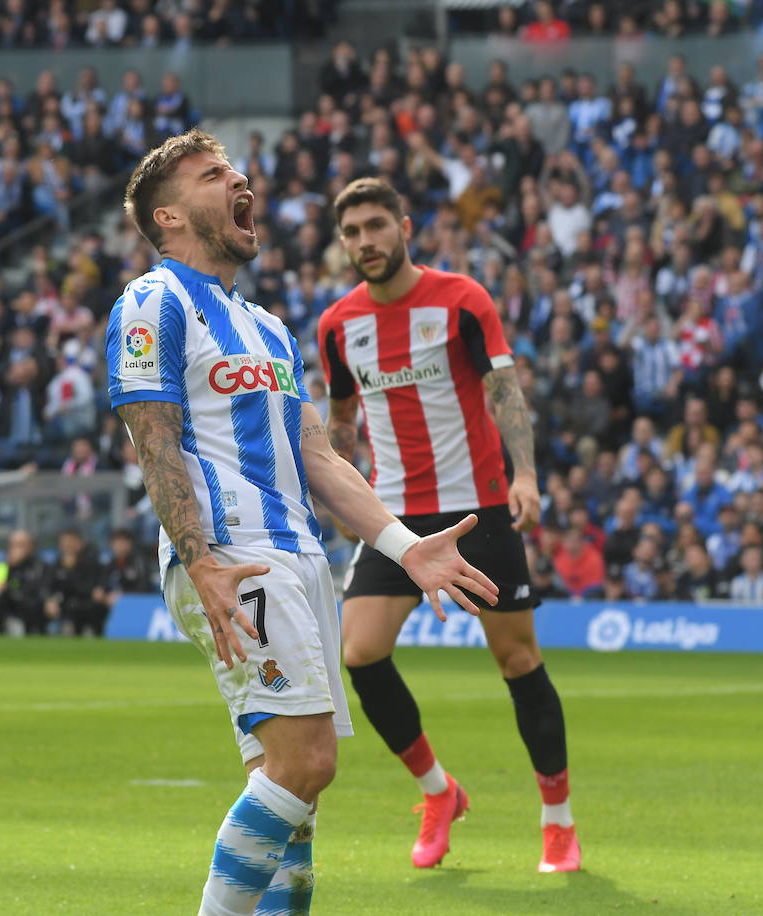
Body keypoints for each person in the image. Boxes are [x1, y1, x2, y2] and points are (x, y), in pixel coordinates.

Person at [107, 131, 498, 916]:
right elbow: (153, 441)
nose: (240, 179)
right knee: (304, 762)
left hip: (299, 560)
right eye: (214, 174)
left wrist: (401, 544)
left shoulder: (266, 326)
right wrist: (202, 559)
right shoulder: (154, 301)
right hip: (235, 556)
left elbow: (318, 458)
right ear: (170, 215)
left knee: (294, 793)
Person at [317, 176, 580, 874]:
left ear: (404, 225)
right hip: (395, 513)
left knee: (517, 659)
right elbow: (341, 420)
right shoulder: (338, 325)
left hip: (478, 506)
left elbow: (504, 391)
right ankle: (438, 792)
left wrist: (524, 476)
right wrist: (344, 496)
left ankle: (558, 820)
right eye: (352, 232)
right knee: (360, 653)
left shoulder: (463, 299)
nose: (365, 242)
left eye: (376, 225)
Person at [0, 529, 51, 635]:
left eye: (20, 545)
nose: (16, 549)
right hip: (17, 601)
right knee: (1, 599)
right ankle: (2, 634)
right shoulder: (10, 566)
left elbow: (35, 585)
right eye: (13, 545)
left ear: (30, 546)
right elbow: (14, 583)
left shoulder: (39, 565)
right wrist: (12, 569)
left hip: (35, 602)